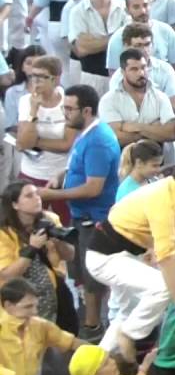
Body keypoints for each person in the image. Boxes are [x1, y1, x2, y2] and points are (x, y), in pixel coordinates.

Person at [85, 156, 175, 363]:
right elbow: (166, 255)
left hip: (127, 255)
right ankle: (130, 334)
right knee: (164, 288)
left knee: (130, 312)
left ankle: (98, 361)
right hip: (106, 257)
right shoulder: (163, 200)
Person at [29, 86, 118, 339]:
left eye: (69, 109)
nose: (64, 113)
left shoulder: (98, 140)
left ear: (86, 111)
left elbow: (93, 187)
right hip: (82, 217)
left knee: (92, 279)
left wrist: (49, 196)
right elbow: (77, 167)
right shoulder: (85, 133)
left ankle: (92, 329)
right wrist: (61, 175)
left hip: (95, 219)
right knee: (80, 273)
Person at [15, 55, 73, 224]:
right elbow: (23, 143)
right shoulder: (26, 101)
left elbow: (66, 145)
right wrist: (34, 110)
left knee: (63, 224)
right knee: (26, 225)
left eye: (42, 77)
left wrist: (35, 142)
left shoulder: (68, 101)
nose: (36, 81)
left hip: (61, 175)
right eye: (33, 76)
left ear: (56, 79)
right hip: (31, 174)